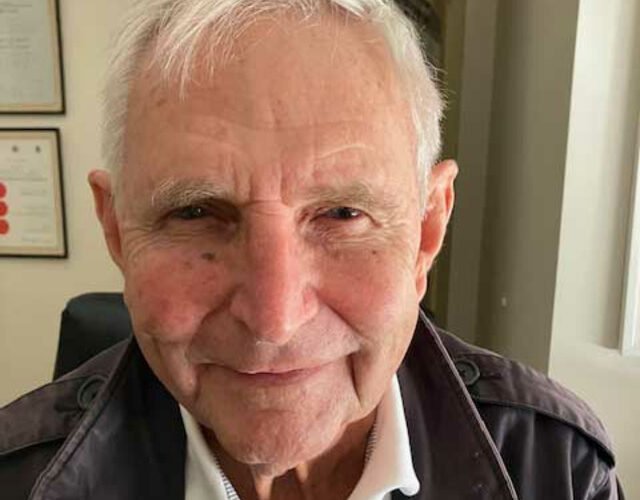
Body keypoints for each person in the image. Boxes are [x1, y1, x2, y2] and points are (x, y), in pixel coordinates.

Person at [0, 1, 625, 499]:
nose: (274, 320)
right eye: (195, 212)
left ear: (428, 231)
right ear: (116, 231)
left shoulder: (556, 470)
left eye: (343, 214)